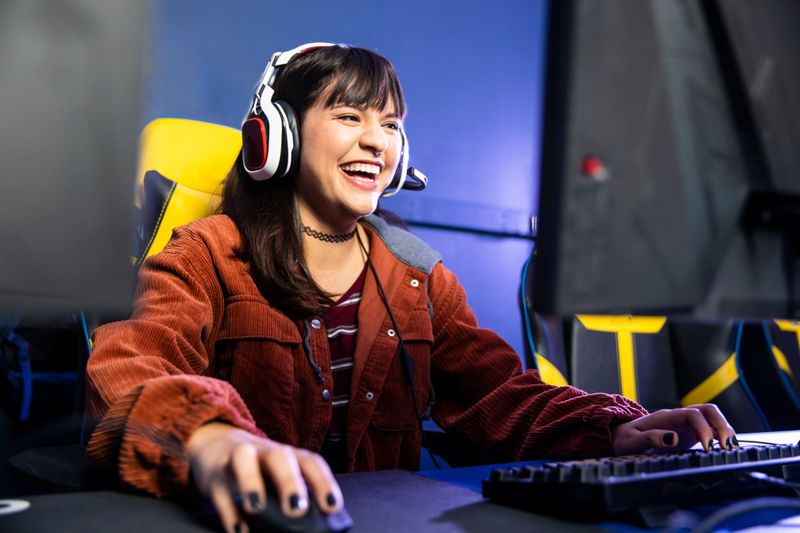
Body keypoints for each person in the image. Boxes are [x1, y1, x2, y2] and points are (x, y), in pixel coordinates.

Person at [85, 43, 736, 533]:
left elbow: (500, 397)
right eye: (348, 115)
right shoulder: (206, 252)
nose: (377, 141)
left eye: (391, 124)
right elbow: (127, 364)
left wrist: (622, 430)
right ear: (275, 135)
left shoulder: (416, 272)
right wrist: (211, 436)